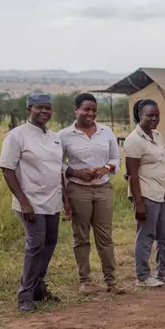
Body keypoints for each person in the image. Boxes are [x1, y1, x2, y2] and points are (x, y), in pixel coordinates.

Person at [0, 93, 70, 312]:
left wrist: (66, 201)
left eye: (48, 108)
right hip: (30, 201)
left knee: (50, 243)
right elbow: (7, 169)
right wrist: (24, 202)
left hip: (53, 201)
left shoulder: (55, 137)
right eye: (40, 107)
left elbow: (59, 171)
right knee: (35, 245)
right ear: (29, 108)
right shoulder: (16, 136)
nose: (45, 112)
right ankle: (25, 294)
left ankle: (39, 287)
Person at [59, 93, 122, 295]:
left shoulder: (106, 132)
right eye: (86, 109)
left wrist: (106, 168)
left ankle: (111, 281)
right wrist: (75, 172)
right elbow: (57, 163)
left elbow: (116, 158)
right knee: (81, 237)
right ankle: (85, 281)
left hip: (103, 189)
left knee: (105, 237)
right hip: (78, 190)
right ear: (76, 109)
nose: (90, 113)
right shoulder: (63, 135)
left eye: (94, 110)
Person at [125, 99, 165, 288]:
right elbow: (131, 174)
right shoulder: (134, 140)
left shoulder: (157, 135)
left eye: (156, 115)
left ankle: (162, 271)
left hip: (163, 193)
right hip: (147, 193)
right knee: (146, 235)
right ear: (140, 115)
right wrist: (138, 203)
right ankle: (143, 276)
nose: (154, 118)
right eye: (150, 115)